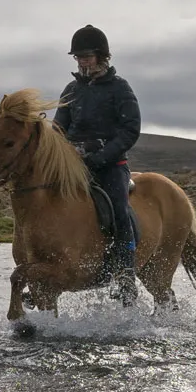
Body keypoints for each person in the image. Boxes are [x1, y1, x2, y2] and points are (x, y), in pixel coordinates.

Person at [53, 25, 142, 294]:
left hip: (111, 166)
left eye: (87, 56)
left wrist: (101, 157)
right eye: (78, 57)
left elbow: (131, 129)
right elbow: (59, 128)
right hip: (75, 166)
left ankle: (125, 270)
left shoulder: (119, 88)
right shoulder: (71, 90)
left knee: (118, 207)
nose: (82, 61)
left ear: (102, 56)